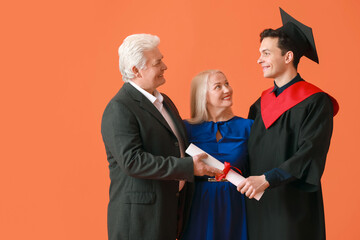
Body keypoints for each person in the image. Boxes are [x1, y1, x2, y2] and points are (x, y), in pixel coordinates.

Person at [101, 34, 222, 240]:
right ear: (136, 70)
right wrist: (187, 167)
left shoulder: (164, 101)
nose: (165, 66)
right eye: (158, 63)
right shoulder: (119, 108)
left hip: (166, 214)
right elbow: (132, 162)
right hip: (139, 222)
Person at [237, 8, 339, 240]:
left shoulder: (315, 101)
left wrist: (268, 179)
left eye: (266, 53)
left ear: (288, 57)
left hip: (293, 205)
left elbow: (310, 153)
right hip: (258, 204)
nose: (259, 59)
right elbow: (246, 149)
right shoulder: (259, 104)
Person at [180, 70, 252, 240]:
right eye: (218, 86)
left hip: (237, 203)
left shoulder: (249, 127)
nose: (227, 90)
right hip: (198, 204)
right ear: (203, 96)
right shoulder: (186, 129)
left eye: (227, 83)